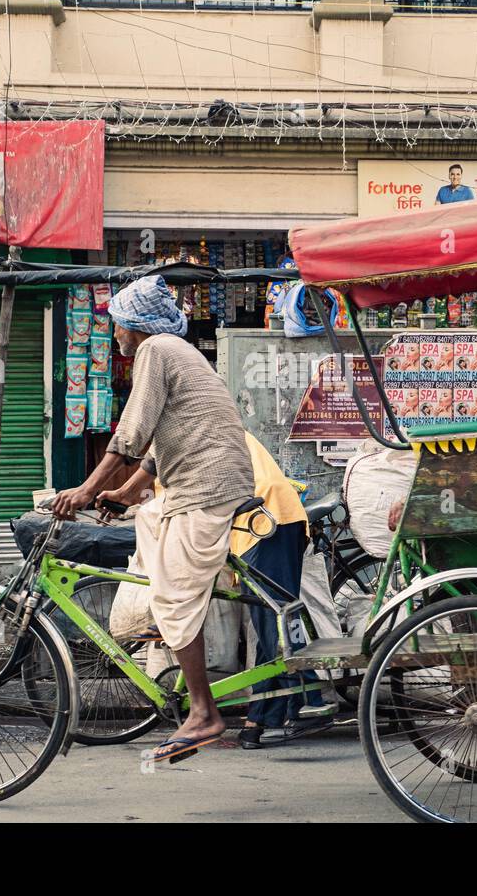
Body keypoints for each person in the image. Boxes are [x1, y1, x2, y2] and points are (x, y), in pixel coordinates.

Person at [52, 276, 254, 765]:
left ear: (133, 324)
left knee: (176, 594)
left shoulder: (155, 351)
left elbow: (132, 431)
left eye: (118, 325)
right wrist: (121, 493)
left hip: (209, 488)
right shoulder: (174, 351)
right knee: (149, 517)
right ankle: (161, 624)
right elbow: (163, 444)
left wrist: (85, 489)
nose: (115, 335)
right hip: (195, 481)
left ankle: (204, 710)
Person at [109, 432, 331, 749]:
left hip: (266, 518)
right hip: (249, 523)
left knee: (275, 620)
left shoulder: (179, 438)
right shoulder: (189, 434)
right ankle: (261, 717)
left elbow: (144, 492)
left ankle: (310, 697)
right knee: (266, 622)